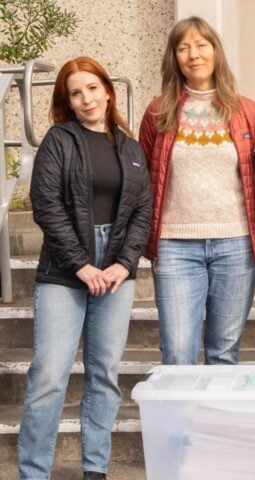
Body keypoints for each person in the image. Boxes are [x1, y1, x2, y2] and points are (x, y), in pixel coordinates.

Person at [18, 56, 152, 480]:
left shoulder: (130, 148)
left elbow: (142, 211)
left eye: (92, 88)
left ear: (107, 91)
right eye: (76, 93)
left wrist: (122, 264)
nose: (86, 98)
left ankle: (96, 469)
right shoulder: (59, 141)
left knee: (104, 373)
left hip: (116, 268)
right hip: (64, 269)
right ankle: (33, 472)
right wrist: (81, 264)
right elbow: (47, 205)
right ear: (68, 102)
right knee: (50, 375)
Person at [139, 16, 255, 365]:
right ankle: (178, 422)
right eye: (183, 47)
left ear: (215, 51)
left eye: (201, 45)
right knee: (178, 352)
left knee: (223, 353)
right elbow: (145, 179)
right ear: (174, 57)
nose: (193, 54)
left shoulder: (246, 111)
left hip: (236, 243)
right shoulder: (157, 111)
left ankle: (214, 422)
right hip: (174, 246)